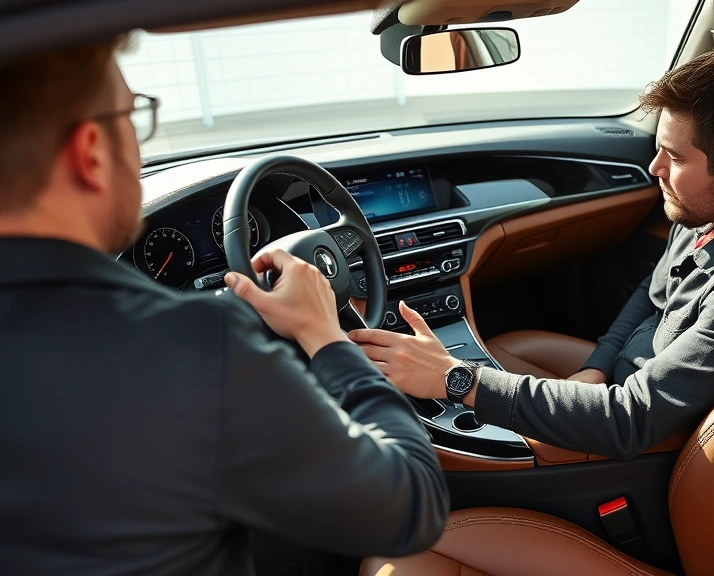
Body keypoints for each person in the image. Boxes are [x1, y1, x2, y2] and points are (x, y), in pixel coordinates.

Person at [0, 38, 448, 574]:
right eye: (132, 118)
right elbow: (410, 507)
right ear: (91, 151)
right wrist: (324, 334)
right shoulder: (194, 346)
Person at [349, 45, 714, 458]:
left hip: (650, 442)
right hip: (628, 384)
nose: (655, 168)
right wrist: (599, 363)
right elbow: (654, 293)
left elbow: (632, 420)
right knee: (512, 344)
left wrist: (454, 379)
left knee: (418, 448)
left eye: (674, 156)